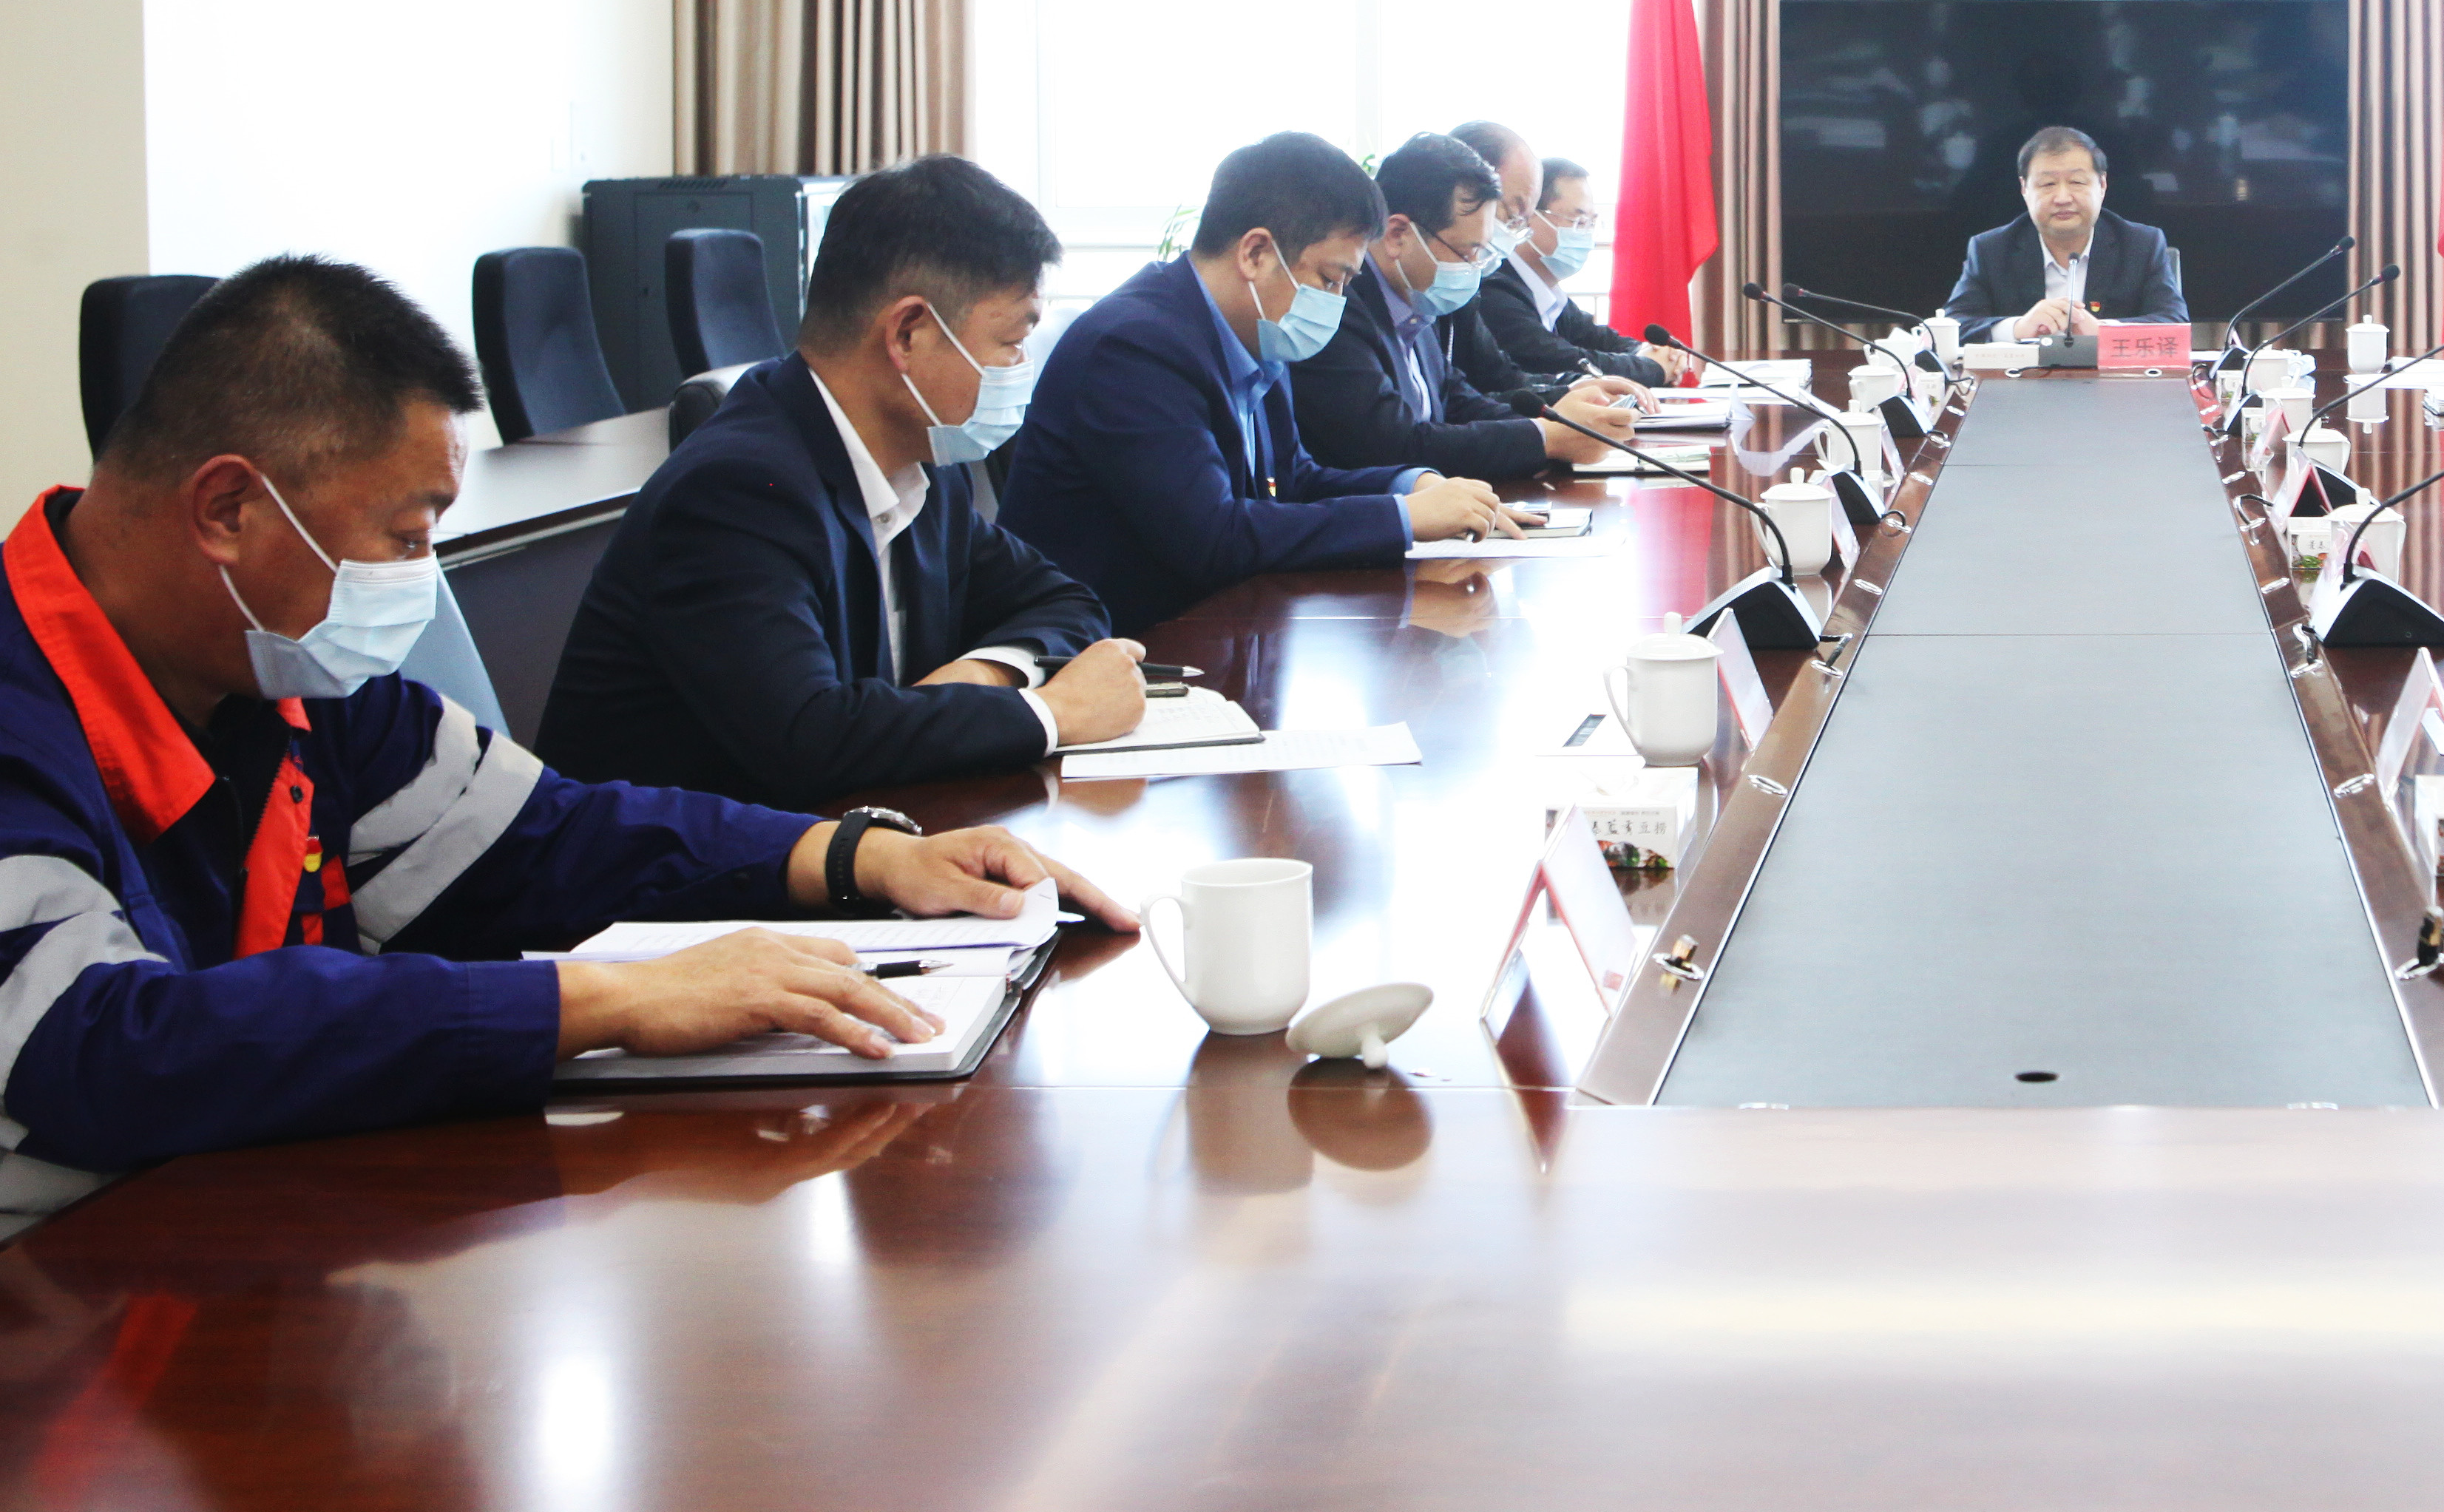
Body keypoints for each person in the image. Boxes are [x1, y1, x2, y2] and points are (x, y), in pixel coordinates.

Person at [0, 257, 1131, 1242]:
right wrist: (598, 1004)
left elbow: (544, 834)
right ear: (225, 511)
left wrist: (857, 859)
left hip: (236, 1227)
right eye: (402, 537)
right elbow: (101, 1047)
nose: (419, 581)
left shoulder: (288, 680)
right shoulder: (25, 703)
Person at [545, 157, 1147, 801]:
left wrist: (985, 674)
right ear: (909, 333)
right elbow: (810, 739)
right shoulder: (738, 492)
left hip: (850, 831)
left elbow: (1068, 603)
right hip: (672, 859)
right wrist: (1052, 713)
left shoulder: (923, 468)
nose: (1020, 364)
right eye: (1009, 341)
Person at [1000, 132, 1521, 633]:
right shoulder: (1136, 347)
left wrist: (1410, 485)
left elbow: (1294, 480)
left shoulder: (1251, 332)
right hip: (1116, 646)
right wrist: (1401, 518)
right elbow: (1213, 538)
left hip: (1216, 625)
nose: (1338, 302)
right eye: (1329, 280)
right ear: (1255, 254)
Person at [1296, 133, 1642, 481]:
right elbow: (1393, 444)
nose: (1477, 269)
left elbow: (1458, 402)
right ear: (1398, 234)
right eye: (1467, 252)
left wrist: (1556, 423)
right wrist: (1545, 439)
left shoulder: (1416, 298)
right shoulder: (1340, 305)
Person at [1939, 126, 2189, 342]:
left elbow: (2174, 324)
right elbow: (1953, 326)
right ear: (2025, 188)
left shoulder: (2141, 244)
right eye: (2048, 184)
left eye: (2077, 182)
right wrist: (2018, 328)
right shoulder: (1991, 249)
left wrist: (2104, 333)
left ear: (2102, 185)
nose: (2062, 198)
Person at [1460, 133, 1668, 388]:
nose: (1587, 234)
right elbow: (1558, 360)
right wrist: (1654, 367)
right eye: (1578, 221)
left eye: (1591, 223)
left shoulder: (1547, 292)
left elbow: (1598, 339)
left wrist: (1647, 352)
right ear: (1531, 216)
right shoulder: (1494, 286)